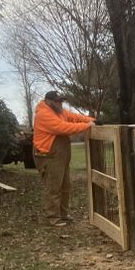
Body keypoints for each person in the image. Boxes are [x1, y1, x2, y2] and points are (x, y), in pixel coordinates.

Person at [33, 91, 96, 226]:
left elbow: (74, 117)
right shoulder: (43, 114)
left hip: (60, 155)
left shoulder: (59, 111)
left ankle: (63, 214)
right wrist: (86, 126)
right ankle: (53, 217)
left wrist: (91, 120)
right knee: (53, 187)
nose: (60, 103)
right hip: (48, 156)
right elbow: (62, 128)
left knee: (65, 185)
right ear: (48, 101)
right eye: (57, 101)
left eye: (61, 101)